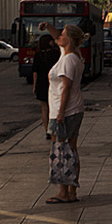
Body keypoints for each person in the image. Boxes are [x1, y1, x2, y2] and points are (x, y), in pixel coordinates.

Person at [41, 22, 85, 204]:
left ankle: (63, 192)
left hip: (64, 111)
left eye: (63, 34)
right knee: (71, 150)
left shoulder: (67, 60)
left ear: (70, 39)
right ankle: (71, 191)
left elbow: (66, 87)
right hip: (73, 110)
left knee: (61, 151)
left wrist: (60, 113)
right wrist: (48, 26)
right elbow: (56, 37)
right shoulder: (72, 55)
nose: (59, 36)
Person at [32, 34, 60, 140]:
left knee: (44, 108)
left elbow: (35, 72)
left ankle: (47, 130)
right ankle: (54, 128)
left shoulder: (38, 55)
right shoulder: (55, 54)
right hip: (53, 83)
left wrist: (34, 85)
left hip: (41, 83)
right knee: (54, 106)